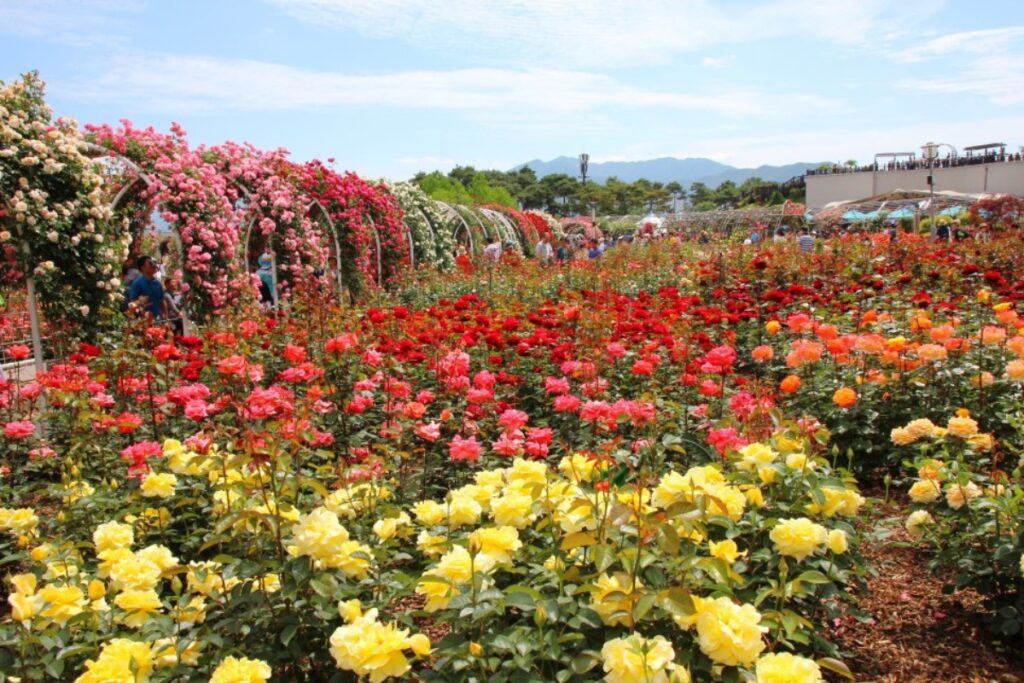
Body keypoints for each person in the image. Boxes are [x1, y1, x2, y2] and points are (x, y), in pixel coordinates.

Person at [127, 255, 168, 320]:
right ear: (143, 268)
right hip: (144, 322)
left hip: (158, 321)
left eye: (153, 262)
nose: (154, 265)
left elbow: (162, 301)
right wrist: (140, 302)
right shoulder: (137, 284)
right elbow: (132, 304)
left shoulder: (158, 283)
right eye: (150, 263)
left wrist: (165, 316)